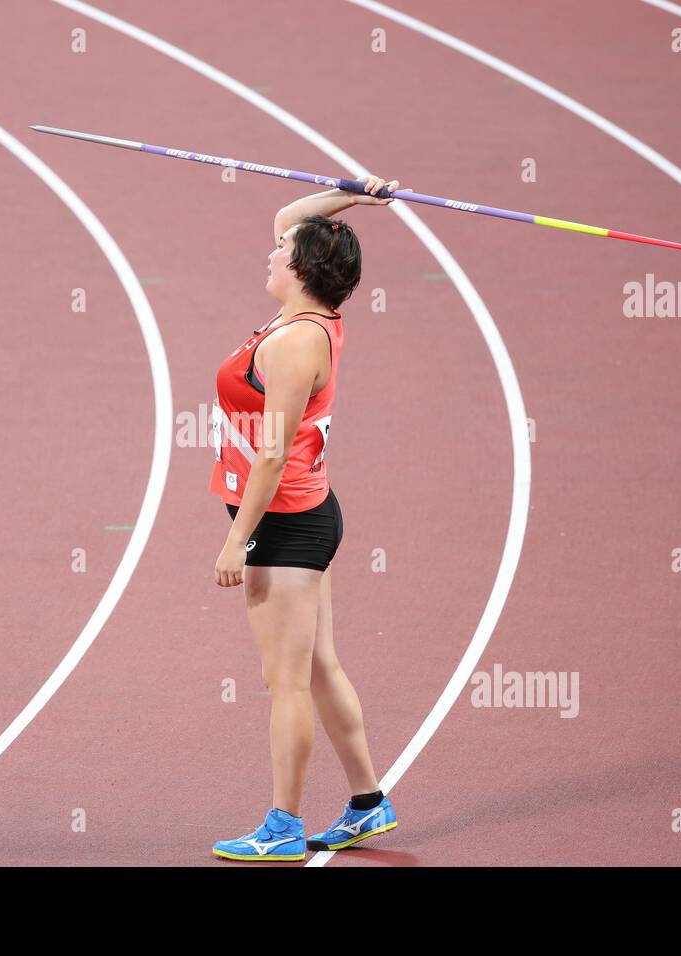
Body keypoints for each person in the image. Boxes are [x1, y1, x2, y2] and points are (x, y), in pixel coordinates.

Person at [208, 175, 406, 861]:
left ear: (302, 268)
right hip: (304, 515)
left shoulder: (294, 345)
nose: (271, 249)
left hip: (286, 525)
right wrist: (354, 194)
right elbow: (291, 213)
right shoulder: (308, 317)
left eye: (282, 248)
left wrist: (239, 541)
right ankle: (368, 804)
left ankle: (283, 827)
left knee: (286, 682)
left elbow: (270, 454)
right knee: (320, 668)